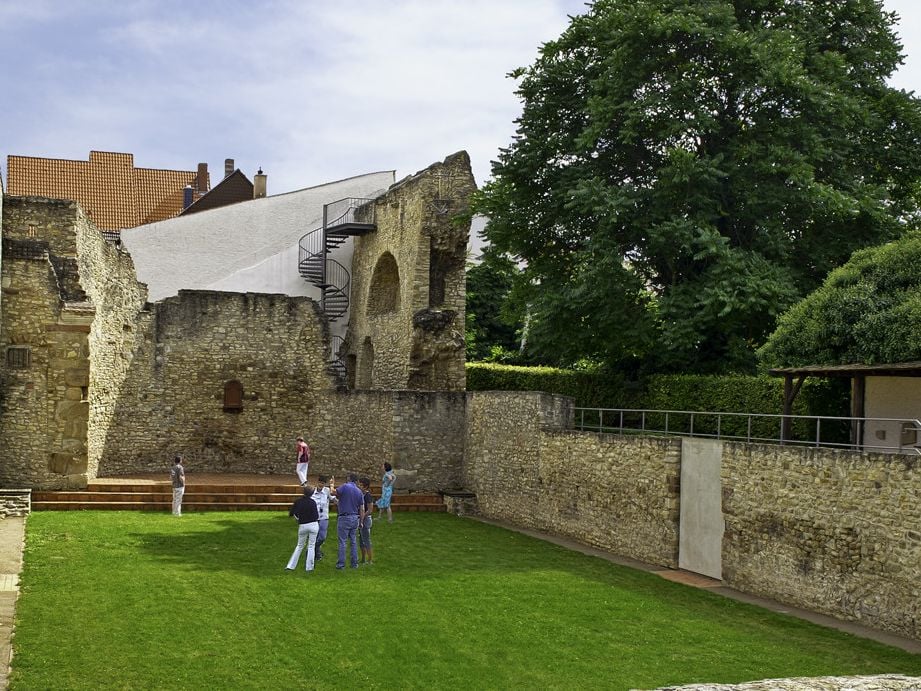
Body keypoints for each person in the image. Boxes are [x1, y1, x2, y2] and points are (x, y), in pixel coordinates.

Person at [330, 473, 363, 569]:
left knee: (342, 541)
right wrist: (360, 521)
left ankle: (341, 564)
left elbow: (332, 493)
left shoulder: (345, 487)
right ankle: (354, 564)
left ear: (348, 479)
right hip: (355, 518)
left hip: (344, 517)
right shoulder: (359, 492)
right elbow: (362, 508)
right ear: (356, 481)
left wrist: (332, 484)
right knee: (353, 541)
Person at [286, 485, 320, 572]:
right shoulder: (313, 502)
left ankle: (290, 566)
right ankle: (309, 567)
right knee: (311, 546)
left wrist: (297, 518)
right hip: (313, 525)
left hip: (303, 525)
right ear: (312, 494)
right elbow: (316, 516)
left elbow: (291, 513)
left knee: (299, 545)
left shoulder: (298, 502)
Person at [311, 475, 337, 561]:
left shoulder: (327, 491)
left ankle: (312, 549)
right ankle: (317, 554)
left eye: (322, 483)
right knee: (314, 537)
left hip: (323, 518)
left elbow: (334, 499)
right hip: (313, 518)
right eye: (320, 482)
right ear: (317, 482)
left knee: (322, 537)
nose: (321, 484)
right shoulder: (312, 491)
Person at [359, 476, 374, 565]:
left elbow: (370, 509)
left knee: (366, 540)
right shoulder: (361, 494)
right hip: (361, 519)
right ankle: (363, 559)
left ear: (365, 487)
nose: (359, 486)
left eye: (361, 485)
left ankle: (370, 560)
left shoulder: (368, 496)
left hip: (366, 520)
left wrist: (362, 516)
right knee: (361, 540)